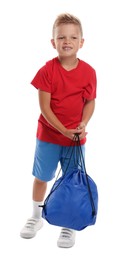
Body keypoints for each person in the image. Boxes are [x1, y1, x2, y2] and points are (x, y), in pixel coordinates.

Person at [20, 13, 97, 248]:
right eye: (61, 37)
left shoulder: (89, 72)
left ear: (81, 42)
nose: (67, 41)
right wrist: (63, 130)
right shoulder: (47, 71)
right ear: (53, 42)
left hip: (75, 139)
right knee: (42, 177)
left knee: (72, 179)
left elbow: (90, 102)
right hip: (49, 136)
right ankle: (35, 216)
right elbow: (45, 108)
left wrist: (83, 124)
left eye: (73, 37)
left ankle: (68, 223)